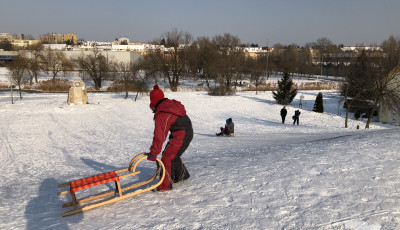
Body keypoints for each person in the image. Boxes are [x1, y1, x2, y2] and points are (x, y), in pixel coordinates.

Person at [147, 85, 193, 191]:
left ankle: (164, 185)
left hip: (182, 133)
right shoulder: (168, 105)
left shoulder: (162, 113)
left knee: (167, 157)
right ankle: (182, 175)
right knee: (171, 154)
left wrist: (153, 153)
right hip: (185, 131)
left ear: (154, 103)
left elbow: (159, 136)